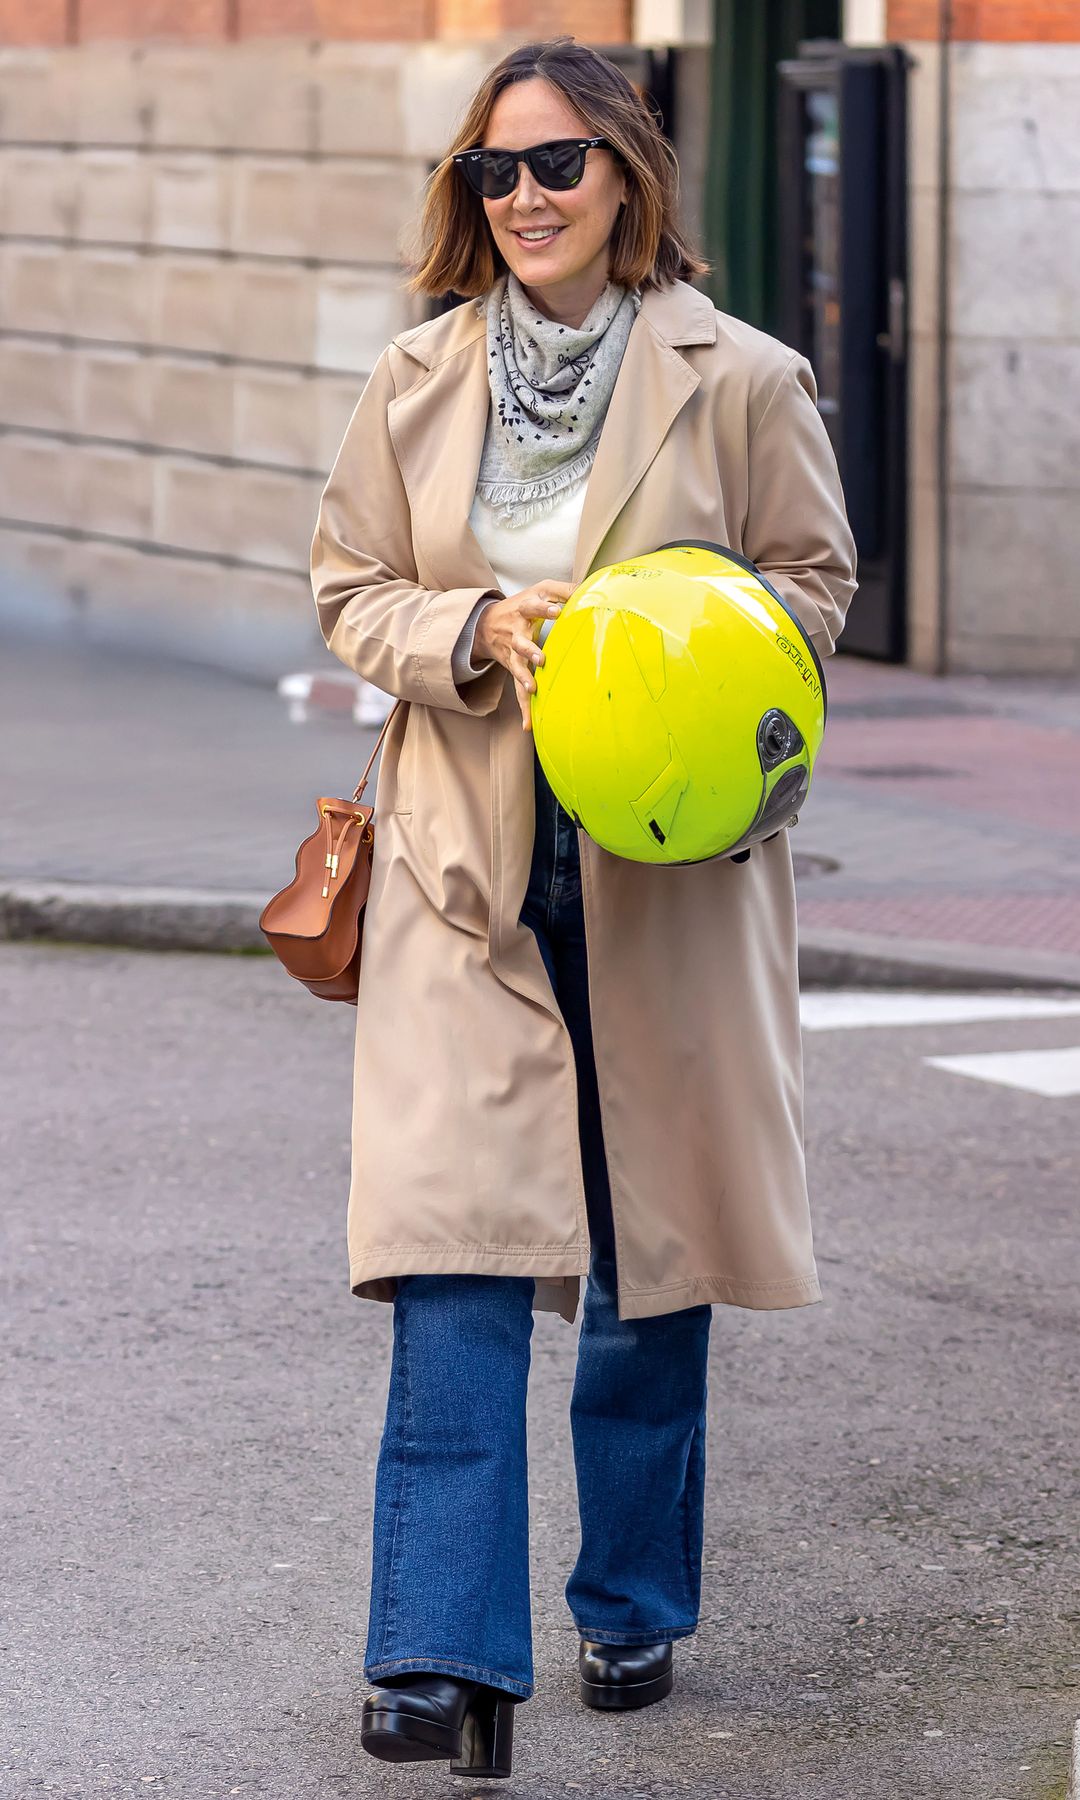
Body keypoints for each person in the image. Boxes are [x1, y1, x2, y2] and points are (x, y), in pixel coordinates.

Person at [311, 33, 857, 1779]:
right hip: (465, 863)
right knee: (455, 1254)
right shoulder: (415, 377)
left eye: (558, 165)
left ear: (629, 175)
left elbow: (814, 586)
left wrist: (683, 643)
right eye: (496, 170)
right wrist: (472, 632)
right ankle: (433, 1650)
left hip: (666, 876)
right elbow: (351, 587)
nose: (527, 198)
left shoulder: (744, 376)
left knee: (647, 1264)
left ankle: (627, 1598)